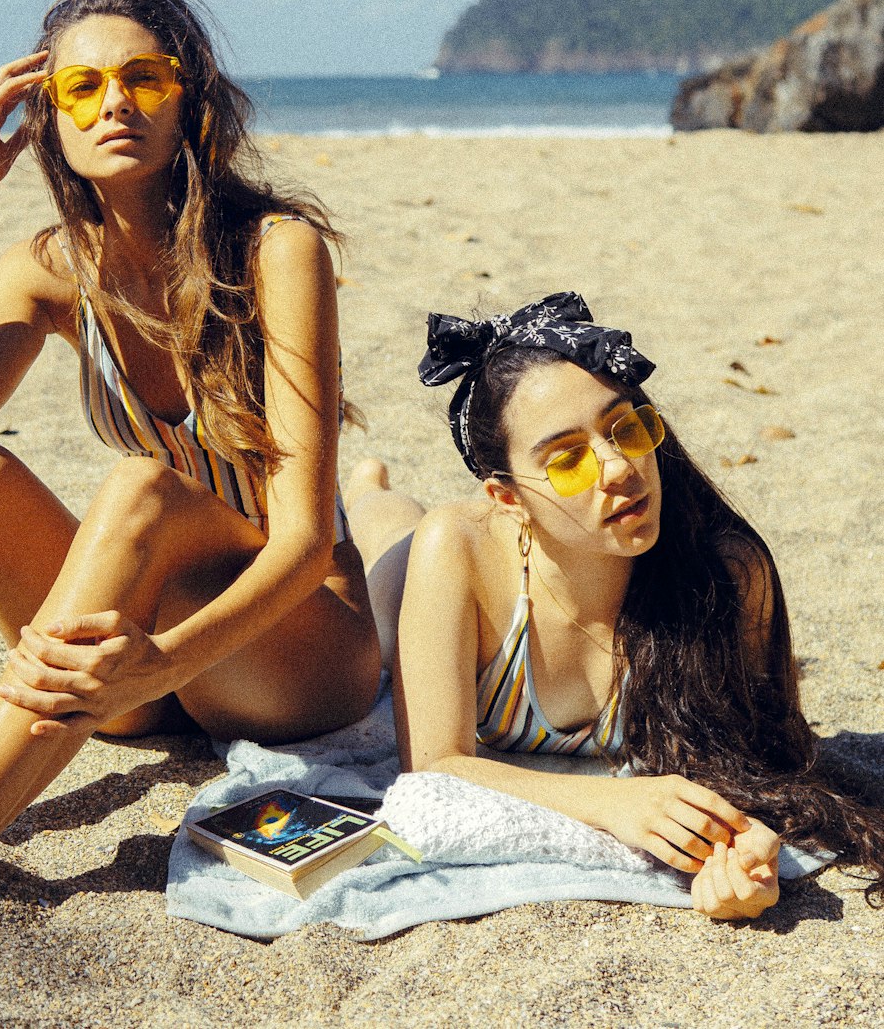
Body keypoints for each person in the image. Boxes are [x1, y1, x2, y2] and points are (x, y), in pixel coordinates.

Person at [0, 0, 381, 974]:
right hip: (126, 672)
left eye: (142, 78)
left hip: (293, 659)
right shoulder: (50, 265)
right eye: (81, 89)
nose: (114, 102)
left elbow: (302, 544)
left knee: (138, 487)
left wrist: (168, 659)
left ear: (188, 97)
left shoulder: (276, 249)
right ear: (49, 121)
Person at [346, 292, 884, 921]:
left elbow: (767, 754)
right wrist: (613, 803)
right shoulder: (460, 548)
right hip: (437, 565)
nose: (618, 467)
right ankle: (365, 488)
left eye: (625, 427)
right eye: (567, 458)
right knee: (385, 556)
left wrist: (751, 850)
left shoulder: (728, 575)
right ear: (508, 497)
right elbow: (435, 763)